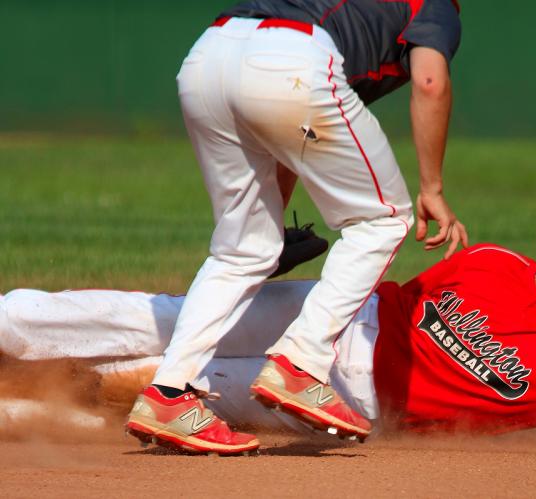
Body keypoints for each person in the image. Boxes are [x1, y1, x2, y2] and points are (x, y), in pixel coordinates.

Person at [2, 180, 536, 456]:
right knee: (163, 318)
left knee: (159, 389)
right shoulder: (486, 259)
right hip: (336, 324)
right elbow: (385, 286)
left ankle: (24, 405)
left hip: (349, 400)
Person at [138, 0, 469, 454]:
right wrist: (431, 187)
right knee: (383, 218)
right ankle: (302, 363)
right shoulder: (433, 6)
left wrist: (271, 226)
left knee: (243, 249)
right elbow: (430, 82)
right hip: (291, 60)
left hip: (209, 55)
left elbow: (286, 133)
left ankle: (169, 393)